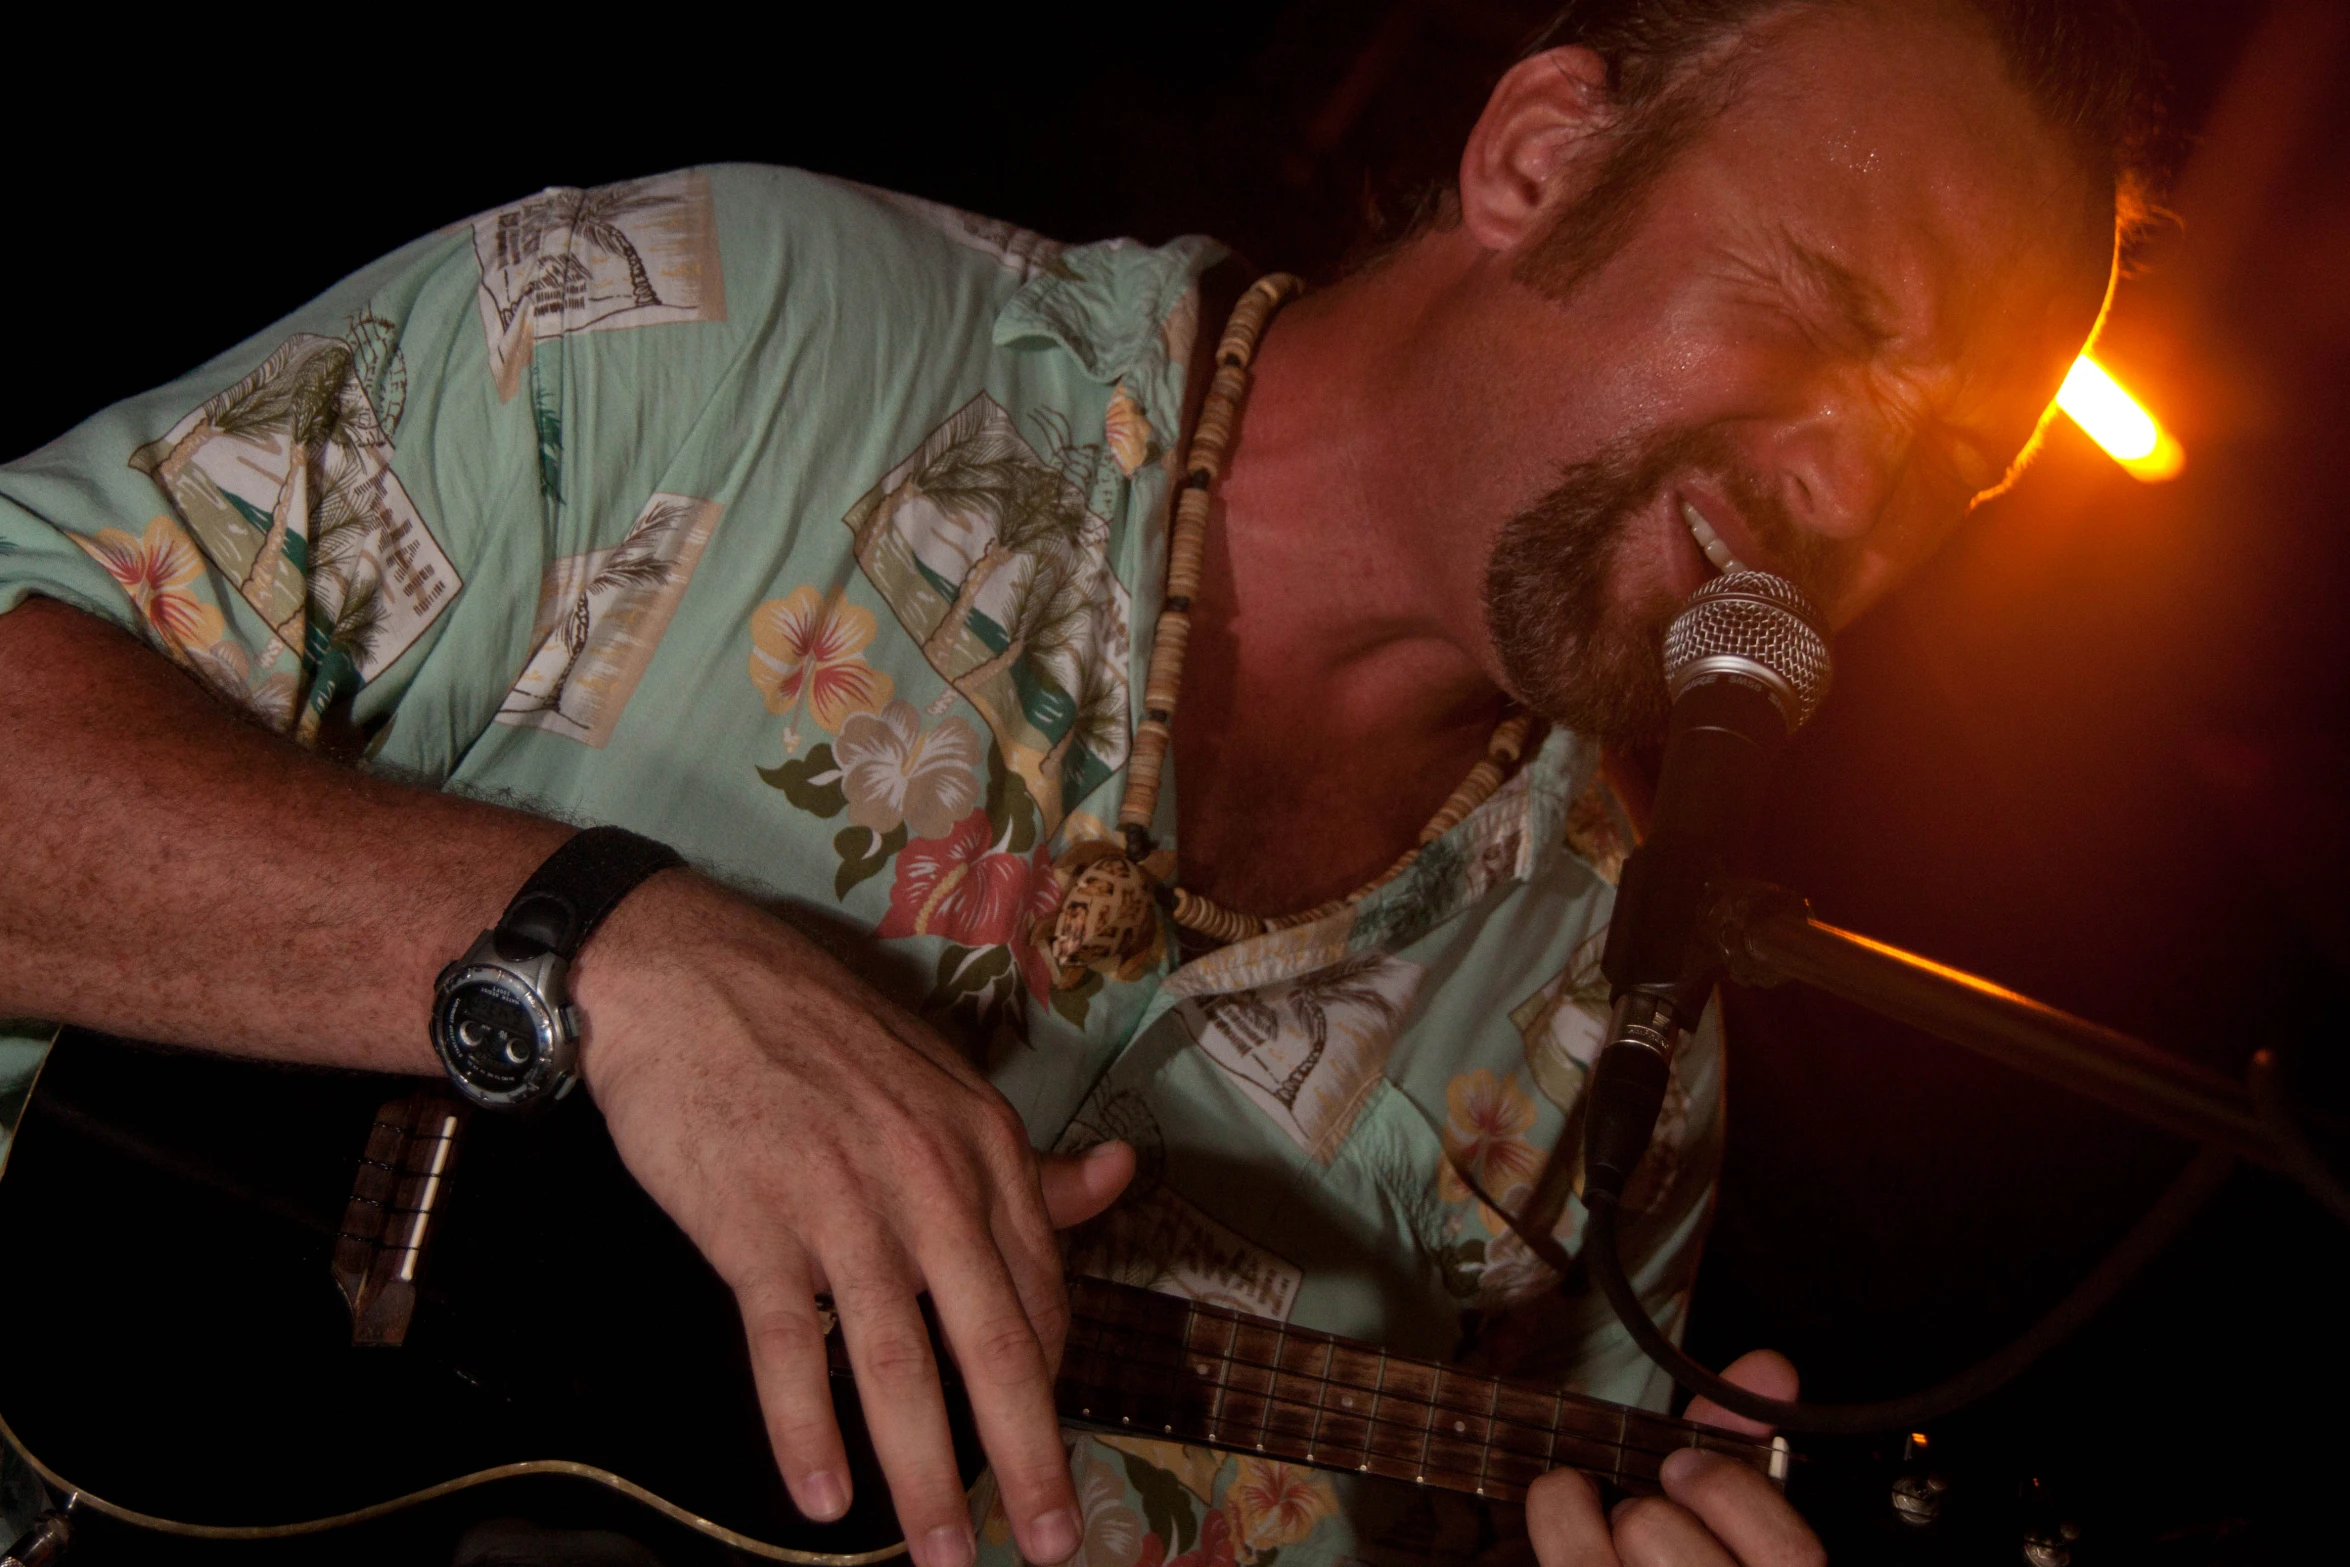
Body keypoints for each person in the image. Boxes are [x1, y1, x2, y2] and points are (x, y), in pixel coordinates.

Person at [0, 0, 2147, 1562]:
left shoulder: (1622, 1040)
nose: (1851, 488)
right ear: (1537, 158)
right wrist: (589, 950)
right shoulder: (737, 337)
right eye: (1827, 318)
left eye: (1954, 465)